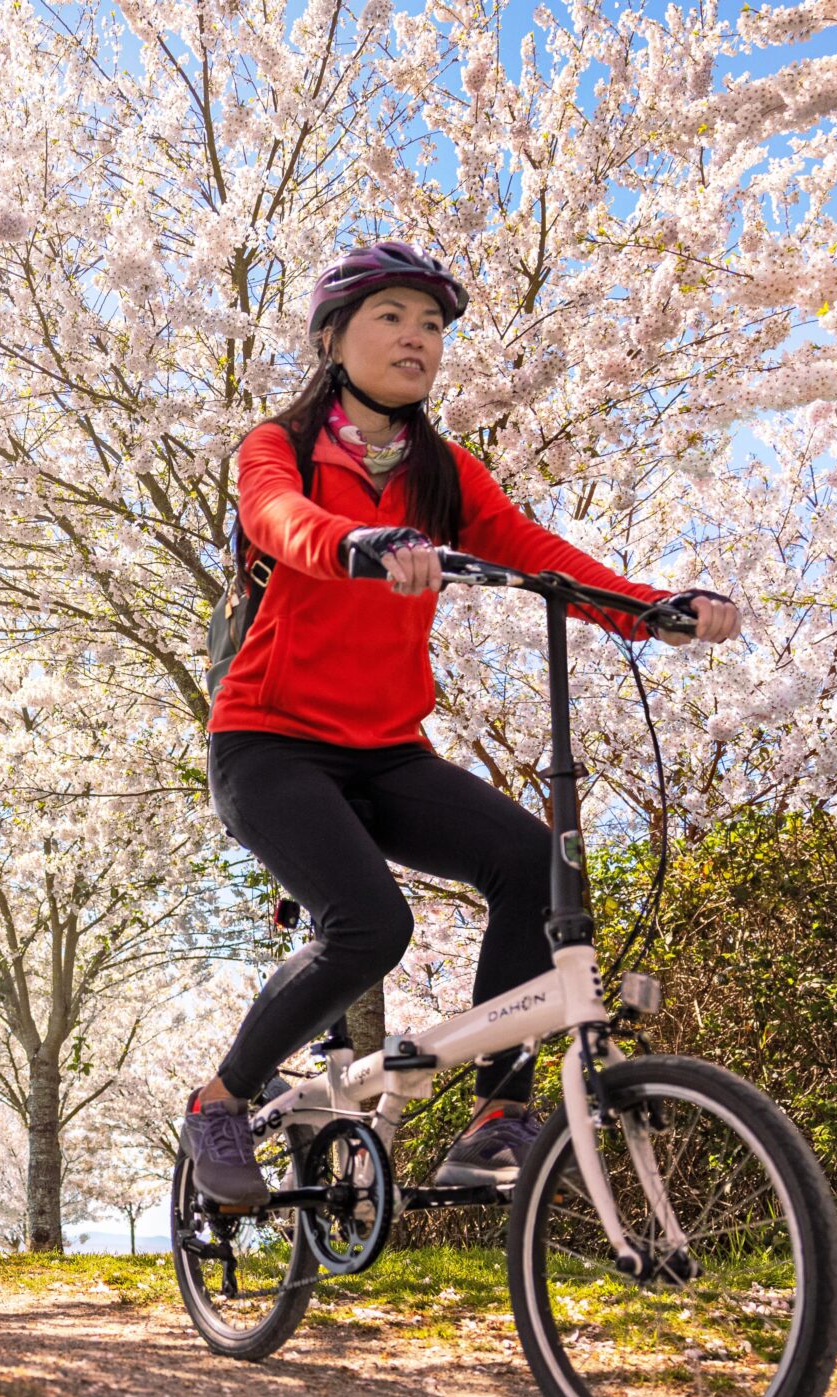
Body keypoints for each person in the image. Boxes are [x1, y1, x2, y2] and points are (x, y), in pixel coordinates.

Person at [182, 241, 743, 1209]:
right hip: (268, 743)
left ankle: (495, 1118)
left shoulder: (442, 473)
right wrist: (355, 540)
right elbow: (277, 518)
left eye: (432, 325)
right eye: (392, 316)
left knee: (535, 863)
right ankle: (221, 1099)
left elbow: (535, 554)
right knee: (370, 924)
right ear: (333, 336)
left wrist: (653, 608)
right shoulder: (277, 446)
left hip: (385, 749)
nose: (416, 338)